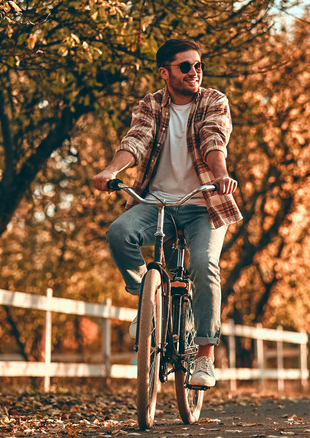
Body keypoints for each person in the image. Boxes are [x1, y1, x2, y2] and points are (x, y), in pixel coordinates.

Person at [92, 38, 241, 387]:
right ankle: (148, 308)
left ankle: (205, 357)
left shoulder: (214, 101)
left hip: (203, 204)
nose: (195, 72)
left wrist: (220, 175)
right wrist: (111, 171)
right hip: (155, 203)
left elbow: (213, 138)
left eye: (198, 65)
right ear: (165, 72)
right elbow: (136, 141)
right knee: (118, 233)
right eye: (185, 66)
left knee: (204, 265)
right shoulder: (151, 105)